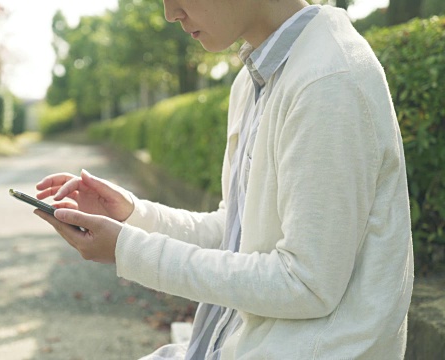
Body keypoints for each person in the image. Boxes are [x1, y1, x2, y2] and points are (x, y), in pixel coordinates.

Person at [34, 0, 414, 358]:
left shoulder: (330, 79)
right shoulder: (255, 81)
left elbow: (307, 284)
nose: (170, 13)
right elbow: (236, 232)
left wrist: (128, 251)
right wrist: (133, 215)